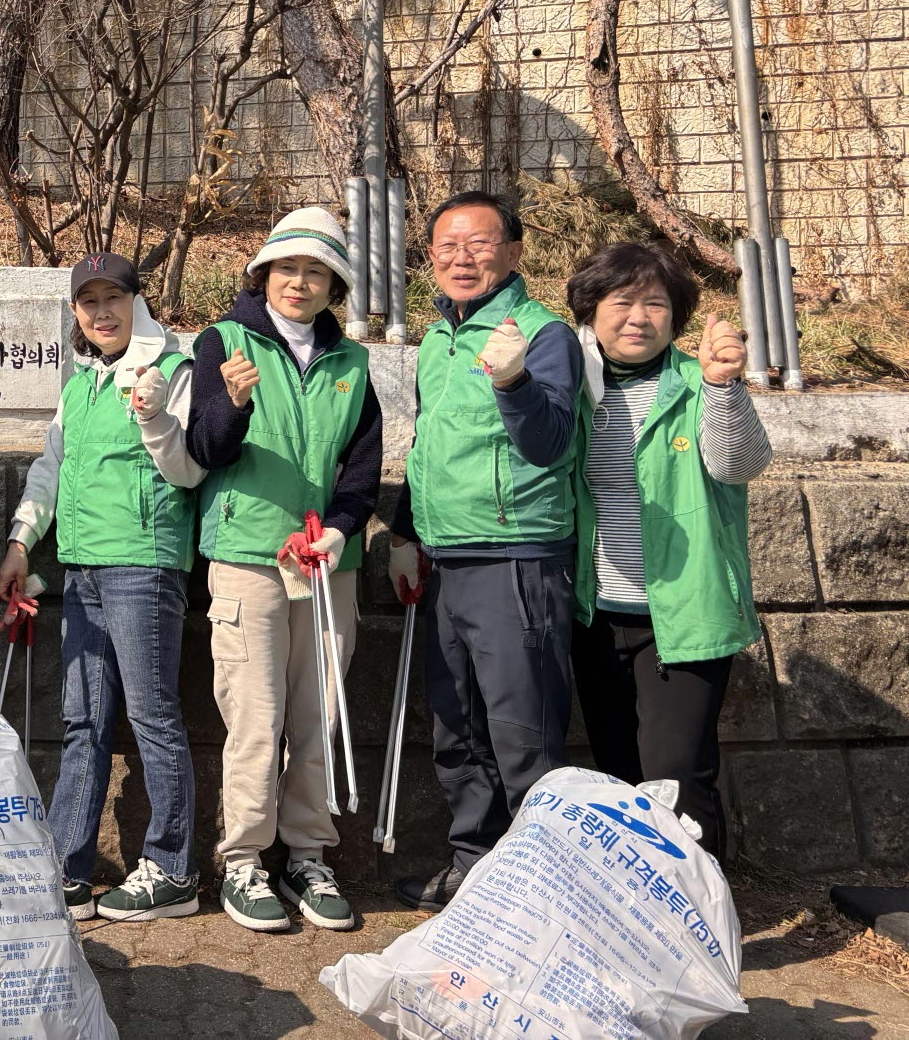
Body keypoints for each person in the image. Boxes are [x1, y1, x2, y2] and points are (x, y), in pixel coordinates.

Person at [185, 208, 382, 934]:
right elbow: (203, 450)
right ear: (262, 273)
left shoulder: (352, 363)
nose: (300, 283)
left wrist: (339, 530)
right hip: (247, 560)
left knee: (317, 716)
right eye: (288, 268)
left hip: (329, 562)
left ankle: (308, 854)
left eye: (317, 272)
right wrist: (232, 403)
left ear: (334, 285)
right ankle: (243, 861)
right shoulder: (222, 342)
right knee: (255, 719)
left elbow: (362, 467)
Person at [389, 191, 583, 913]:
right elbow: (428, 447)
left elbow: (549, 444)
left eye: (479, 243)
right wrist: (407, 535)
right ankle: (476, 869)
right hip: (447, 561)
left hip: (516, 560)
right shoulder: (437, 342)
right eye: (446, 246)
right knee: (458, 729)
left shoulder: (543, 335)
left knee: (523, 733)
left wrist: (515, 381)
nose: (461, 258)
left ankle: (541, 895)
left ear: (514, 252)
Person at [0, 252, 204, 923]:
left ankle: (172, 869)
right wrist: (22, 540)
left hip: (145, 566)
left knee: (152, 716)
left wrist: (153, 419)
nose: (101, 313)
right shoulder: (81, 383)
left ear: (136, 301)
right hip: (81, 565)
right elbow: (50, 467)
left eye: (111, 297)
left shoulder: (173, 370)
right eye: (87, 303)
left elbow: (188, 472)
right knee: (82, 720)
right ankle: (68, 867)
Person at [566, 242, 771, 861]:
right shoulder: (573, 387)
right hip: (595, 614)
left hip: (682, 615)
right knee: (619, 778)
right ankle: (641, 927)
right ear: (590, 311)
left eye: (656, 304)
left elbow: (738, 463)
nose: (638, 317)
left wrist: (723, 386)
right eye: (621, 301)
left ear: (677, 318)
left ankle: (700, 929)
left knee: (677, 779)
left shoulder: (697, 384)